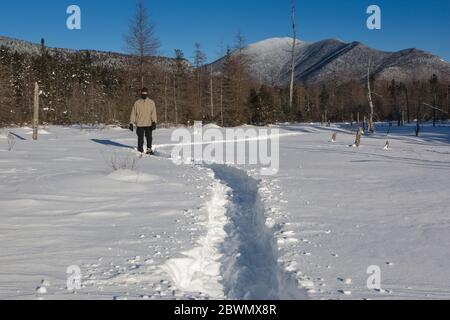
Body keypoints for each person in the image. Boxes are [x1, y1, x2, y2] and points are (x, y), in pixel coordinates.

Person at [129, 87, 158, 155]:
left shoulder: (151, 102)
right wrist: (131, 123)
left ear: (147, 94)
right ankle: (140, 150)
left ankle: (149, 149)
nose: (144, 95)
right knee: (140, 138)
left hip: (148, 123)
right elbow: (133, 113)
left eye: (145, 93)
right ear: (141, 94)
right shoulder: (137, 103)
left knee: (149, 138)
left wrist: (154, 122)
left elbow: (153, 113)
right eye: (143, 93)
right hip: (140, 124)